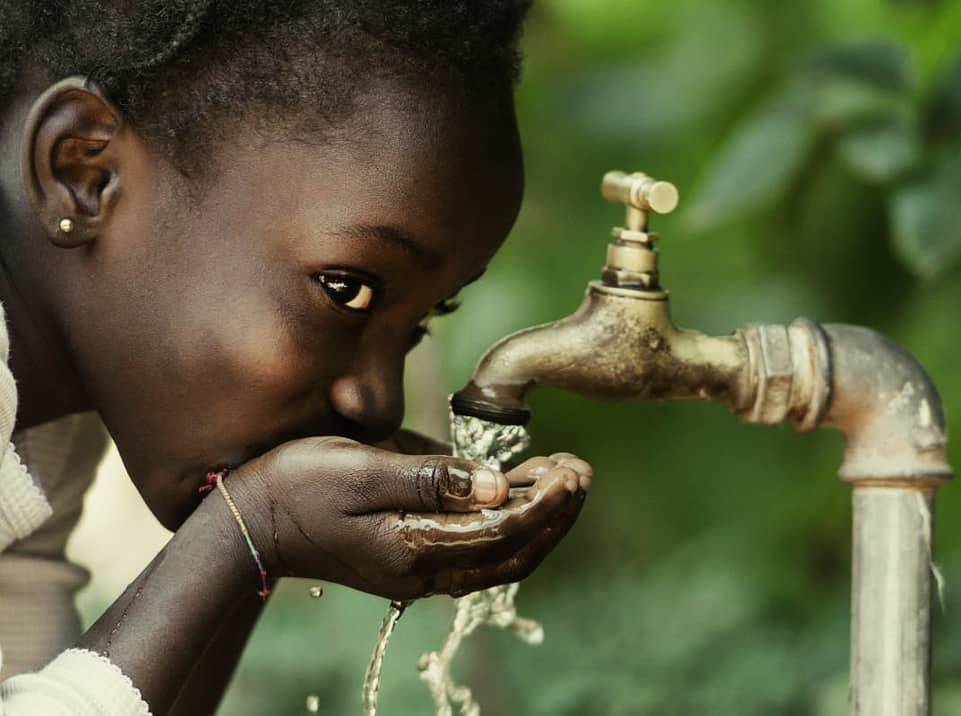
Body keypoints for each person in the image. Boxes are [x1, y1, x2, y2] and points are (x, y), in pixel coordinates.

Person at [0, 1, 592, 713]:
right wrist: (248, 529)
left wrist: (263, 533)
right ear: (84, 172)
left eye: (423, 320)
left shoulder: (45, 421)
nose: (378, 404)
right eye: (347, 289)